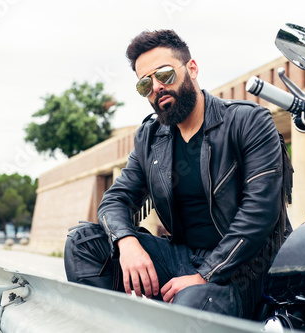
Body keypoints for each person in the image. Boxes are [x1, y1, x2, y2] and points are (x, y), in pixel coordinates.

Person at [64, 29, 292, 319]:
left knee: (192, 305)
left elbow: (261, 212)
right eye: (145, 84)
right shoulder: (150, 138)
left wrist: (205, 276)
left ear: (192, 69)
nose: (156, 87)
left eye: (165, 75)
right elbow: (115, 200)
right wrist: (127, 242)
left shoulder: (248, 121)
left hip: (246, 270)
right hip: (184, 259)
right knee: (84, 242)